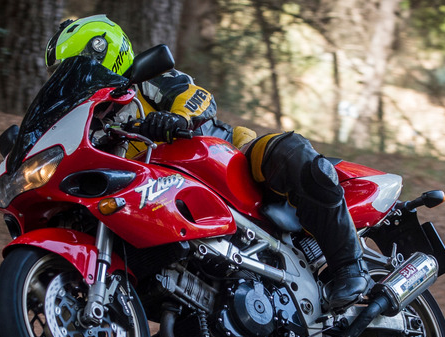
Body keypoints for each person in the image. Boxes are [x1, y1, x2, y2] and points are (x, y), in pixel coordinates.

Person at [43, 15, 372, 311]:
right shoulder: (92, 123)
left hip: (229, 161)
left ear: (107, 52)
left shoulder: (144, 78)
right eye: (66, 74)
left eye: (80, 66)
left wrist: (175, 118)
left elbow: (197, 98)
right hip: (169, 199)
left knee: (291, 153)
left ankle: (348, 268)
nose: (76, 78)